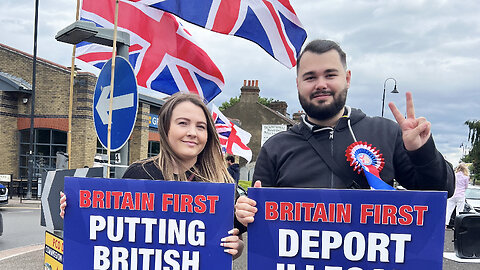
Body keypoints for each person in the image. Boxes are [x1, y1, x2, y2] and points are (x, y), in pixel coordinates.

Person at [235, 39, 455, 226]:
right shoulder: (276, 147)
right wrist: (243, 213)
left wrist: (421, 151)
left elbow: (440, 191)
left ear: (347, 79)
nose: (320, 84)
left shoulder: (387, 133)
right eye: (310, 77)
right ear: (298, 84)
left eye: (330, 75)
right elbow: (255, 219)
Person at [61, 93, 244, 259]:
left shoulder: (220, 182)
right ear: (165, 128)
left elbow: (236, 242)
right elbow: (106, 232)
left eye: (201, 127)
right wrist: (76, 211)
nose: (192, 133)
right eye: (183, 123)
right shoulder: (139, 173)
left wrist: (236, 247)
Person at [445, 163, 470, 227]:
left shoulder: (454, 175)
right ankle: (457, 225)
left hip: (453, 194)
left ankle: (445, 224)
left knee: (449, 210)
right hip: (461, 195)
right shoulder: (466, 177)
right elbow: (466, 186)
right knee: (459, 211)